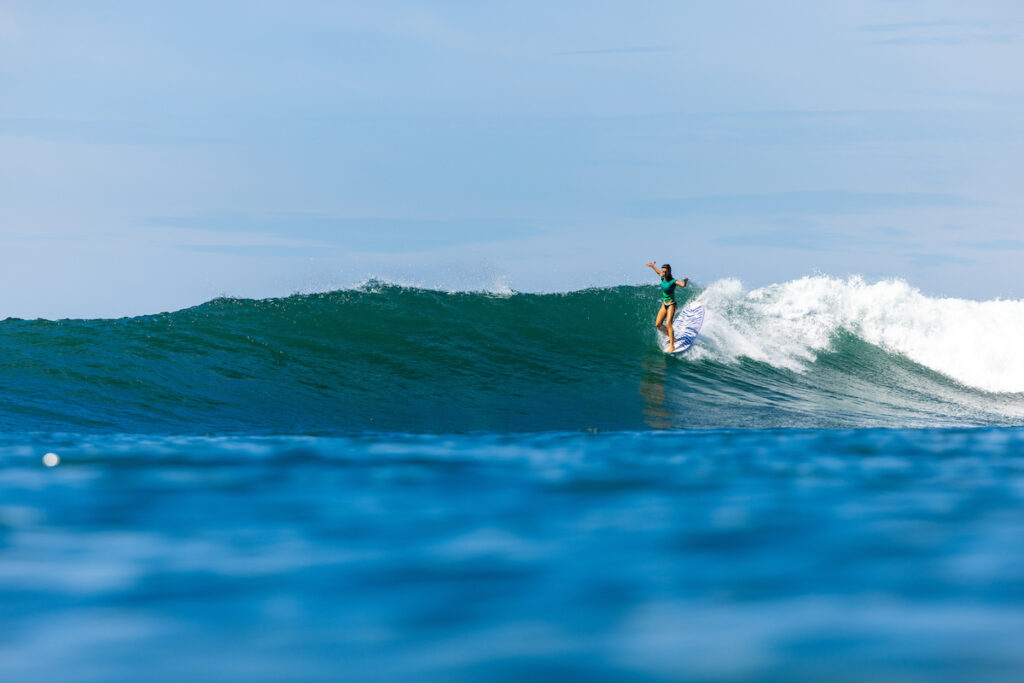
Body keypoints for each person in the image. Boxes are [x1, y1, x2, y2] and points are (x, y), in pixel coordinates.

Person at [645, 261, 689, 352]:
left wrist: (685, 281)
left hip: (672, 305)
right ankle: (672, 337)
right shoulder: (662, 277)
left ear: (669, 271)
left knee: (668, 323)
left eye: (665, 272)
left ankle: (672, 346)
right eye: (663, 271)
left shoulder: (673, 281)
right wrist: (652, 266)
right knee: (658, 324)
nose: (663, 273)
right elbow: (658, 272)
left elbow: (683, 286)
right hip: (664, 304)